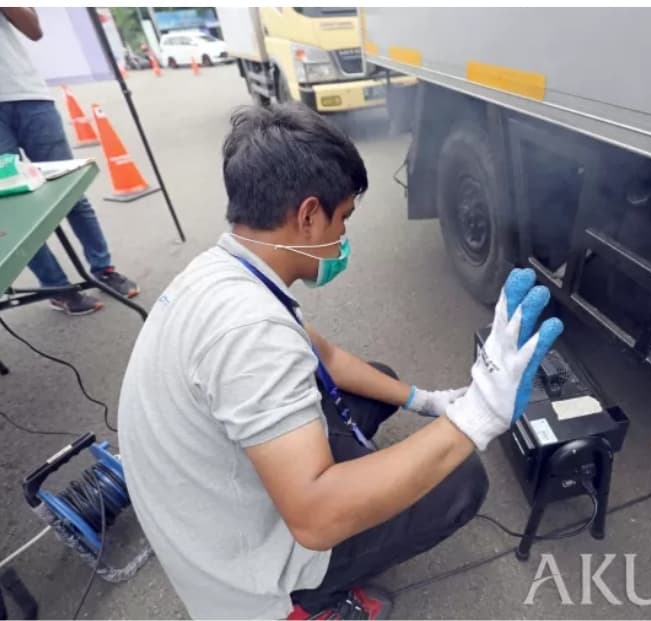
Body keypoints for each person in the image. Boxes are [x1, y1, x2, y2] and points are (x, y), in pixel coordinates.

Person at [117, 104, 563, 620]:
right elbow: (315, 520)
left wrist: (430, 402)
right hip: (244, 571)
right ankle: (312, 604)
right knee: (459, 479)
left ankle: (358, 469)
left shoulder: (225, 271)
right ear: (308, 215)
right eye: (344, 218)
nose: (345, 239)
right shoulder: (251, 332)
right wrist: (476, 418)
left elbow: (321, 354)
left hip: (204, 499)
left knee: (379, 381)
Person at [0, 8, 139, 315]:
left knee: (70, 192)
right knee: (16, 210)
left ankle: (103, 269)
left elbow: (34, 30)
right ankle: (57, 288)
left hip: (28, 95)